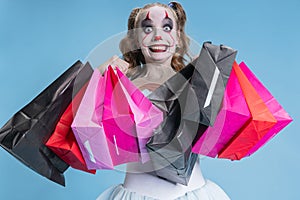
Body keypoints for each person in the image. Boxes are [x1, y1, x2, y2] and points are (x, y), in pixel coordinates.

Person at [97, 2, 230, 200]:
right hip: (137, 194)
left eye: (167, 27)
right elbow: (78, 125)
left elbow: (219, 128)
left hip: (194, 193)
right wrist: (98, 78)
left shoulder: (198, 80)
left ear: (178, 36)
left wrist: (209, 79)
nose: (158, 36)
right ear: (136, 39)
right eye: (147, 28)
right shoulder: (119, 84)